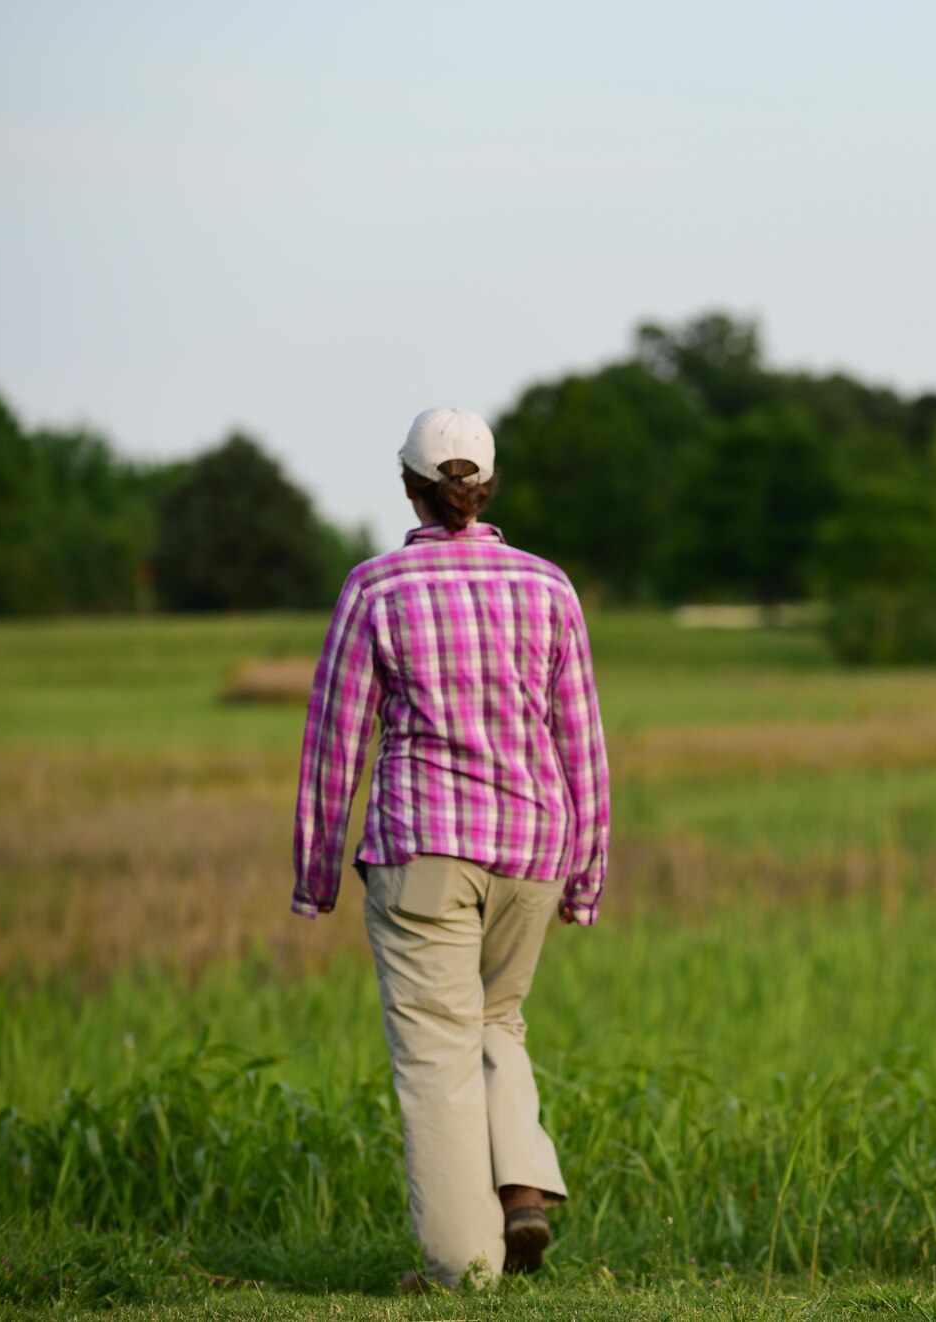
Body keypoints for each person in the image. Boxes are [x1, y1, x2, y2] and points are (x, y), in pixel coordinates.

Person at [291, 407, 610, 1292]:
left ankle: (462, 1272)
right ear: (490, 487)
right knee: (496, 1020)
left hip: (424, 849)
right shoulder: (550, 588)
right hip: (535, 848)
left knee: (435, 1050)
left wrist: (316, 875)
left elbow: (335, 742)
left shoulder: (376, 588)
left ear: (409, 488)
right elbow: (580, 742)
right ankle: (522, 1187)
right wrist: (585, 877)